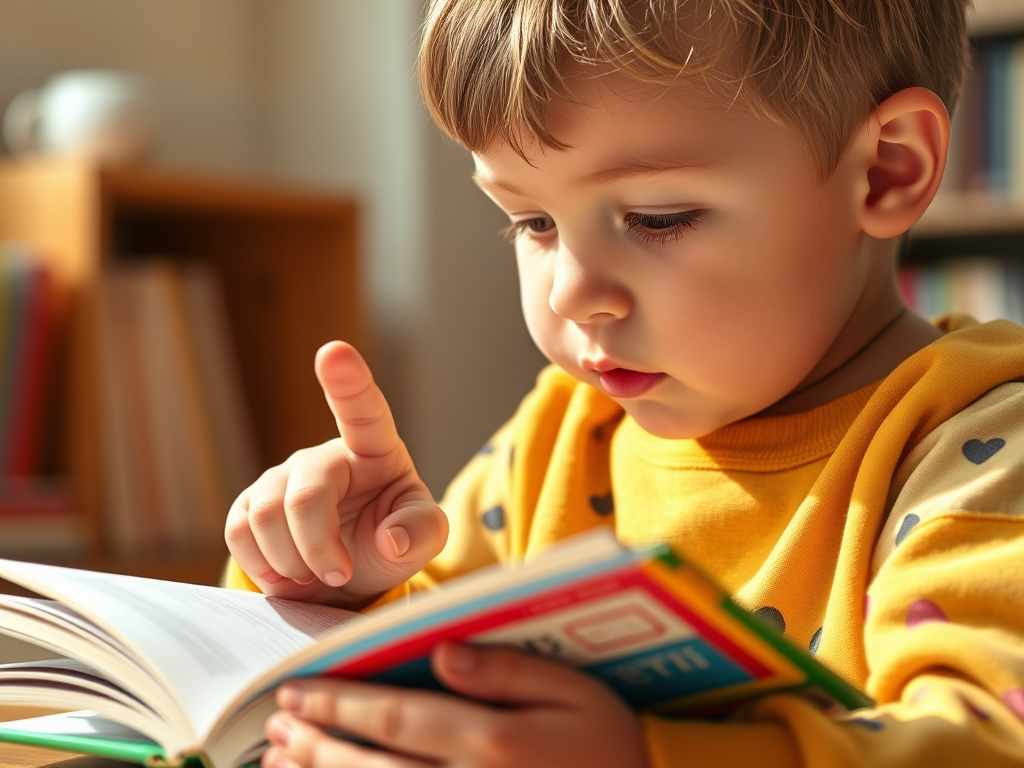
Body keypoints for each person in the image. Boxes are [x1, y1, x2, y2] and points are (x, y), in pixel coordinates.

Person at [224, 1, 1024, 766]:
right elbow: (423, 671)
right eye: (533, 222)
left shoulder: (986, 450)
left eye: (658, 216)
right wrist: (341, 581)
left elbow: (991, 741)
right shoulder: (561, 437)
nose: (570, 293)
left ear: (887, 170)